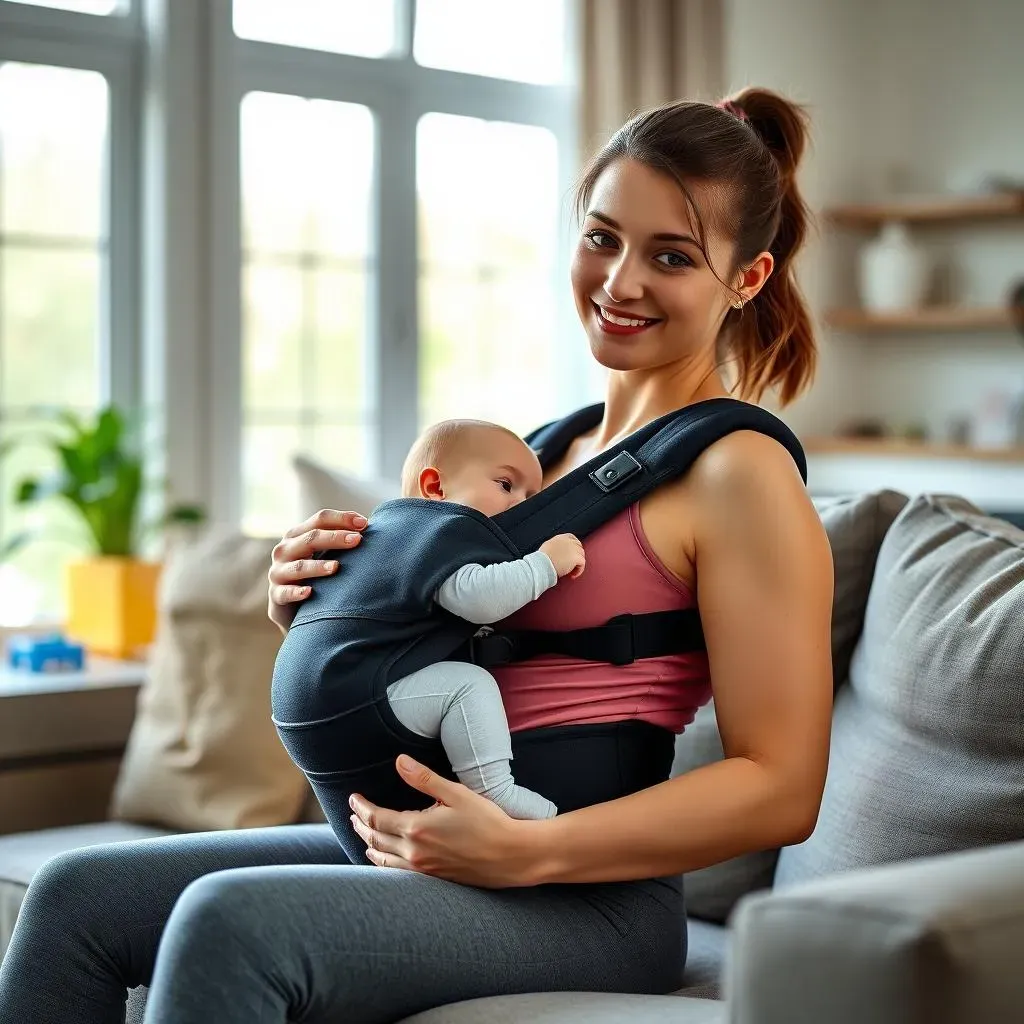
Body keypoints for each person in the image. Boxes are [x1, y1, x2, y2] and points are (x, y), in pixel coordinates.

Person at [0, 88, 834, 1024]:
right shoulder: (541, 454)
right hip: (415, 840)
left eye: (671, 257)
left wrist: (528, 851)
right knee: (75, 899)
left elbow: (781, 787)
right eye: (603, 237)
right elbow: (441, 629)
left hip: (589, 898)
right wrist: (324, 602)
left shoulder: (740, 474)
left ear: (749, 277)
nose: (620, 281)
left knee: (231, 921)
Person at [274, 417, 588, 835]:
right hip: (354, 691)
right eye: (506, 486)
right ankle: (495, 790)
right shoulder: (442, 529)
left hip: (297, 700)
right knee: (467, 684)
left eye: (532, 496)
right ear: (435, 488)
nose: (522, 506)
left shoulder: (384, 533)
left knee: (366, 844)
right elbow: (480, 599)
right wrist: (548, 562)